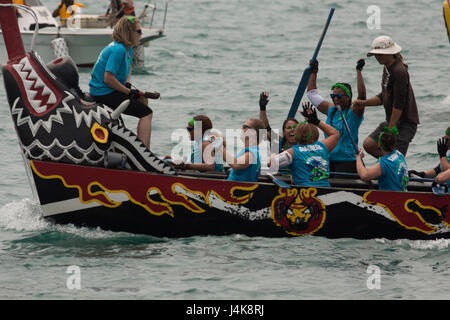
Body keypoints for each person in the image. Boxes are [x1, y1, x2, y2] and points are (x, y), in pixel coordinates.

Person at [89, 16, 157, 149]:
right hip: (103, 92)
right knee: (146, 112)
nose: (141, 34)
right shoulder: (118, 50)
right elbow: (108, 78)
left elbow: (128, 68)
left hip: (110, 90)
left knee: (142, 105)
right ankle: (144, 153)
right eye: (138, 31)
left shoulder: (127, 49)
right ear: (128, 32)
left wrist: (127, 86)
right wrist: (128, 92)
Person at [353, 35, 419, 158]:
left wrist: (390, 129)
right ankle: (389, 167)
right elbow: (384, 97)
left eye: (381, 54)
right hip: (392, 121)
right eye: (376, 54)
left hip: (404, 123)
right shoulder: (387, 68)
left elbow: (399, 104)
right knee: (369, 145)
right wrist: (363, 103)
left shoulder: (399, 71)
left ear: (391, 53)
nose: (378, 57)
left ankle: (393, 169)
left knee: (395, 157)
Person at [306, 59, 366, 174]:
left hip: (349, 162)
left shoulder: (354, 112)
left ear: (348, 97)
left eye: (338, 96)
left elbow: (362, 96)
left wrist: (358, 71)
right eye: (333, 95)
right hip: (329, 160)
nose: (335, 99)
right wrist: (314, 71)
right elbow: (311, 95)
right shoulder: (331, 110)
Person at [269, 103, 340, 187]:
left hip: (306, 194)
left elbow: (271, 164)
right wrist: (317, 121)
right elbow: (335, 134)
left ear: (297, 136)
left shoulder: (293, 152)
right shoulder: (322, 146)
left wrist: (273, 155)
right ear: (315, 135)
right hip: (326, 190)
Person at [409, 126, 450, 192]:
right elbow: (437, 170)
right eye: (445, 139)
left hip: (445, 190)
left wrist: (442, 155)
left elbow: (446, 171)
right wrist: (421, 174)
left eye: (447, 140)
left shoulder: (444, 156)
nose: (445, 142)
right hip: (439, 185)